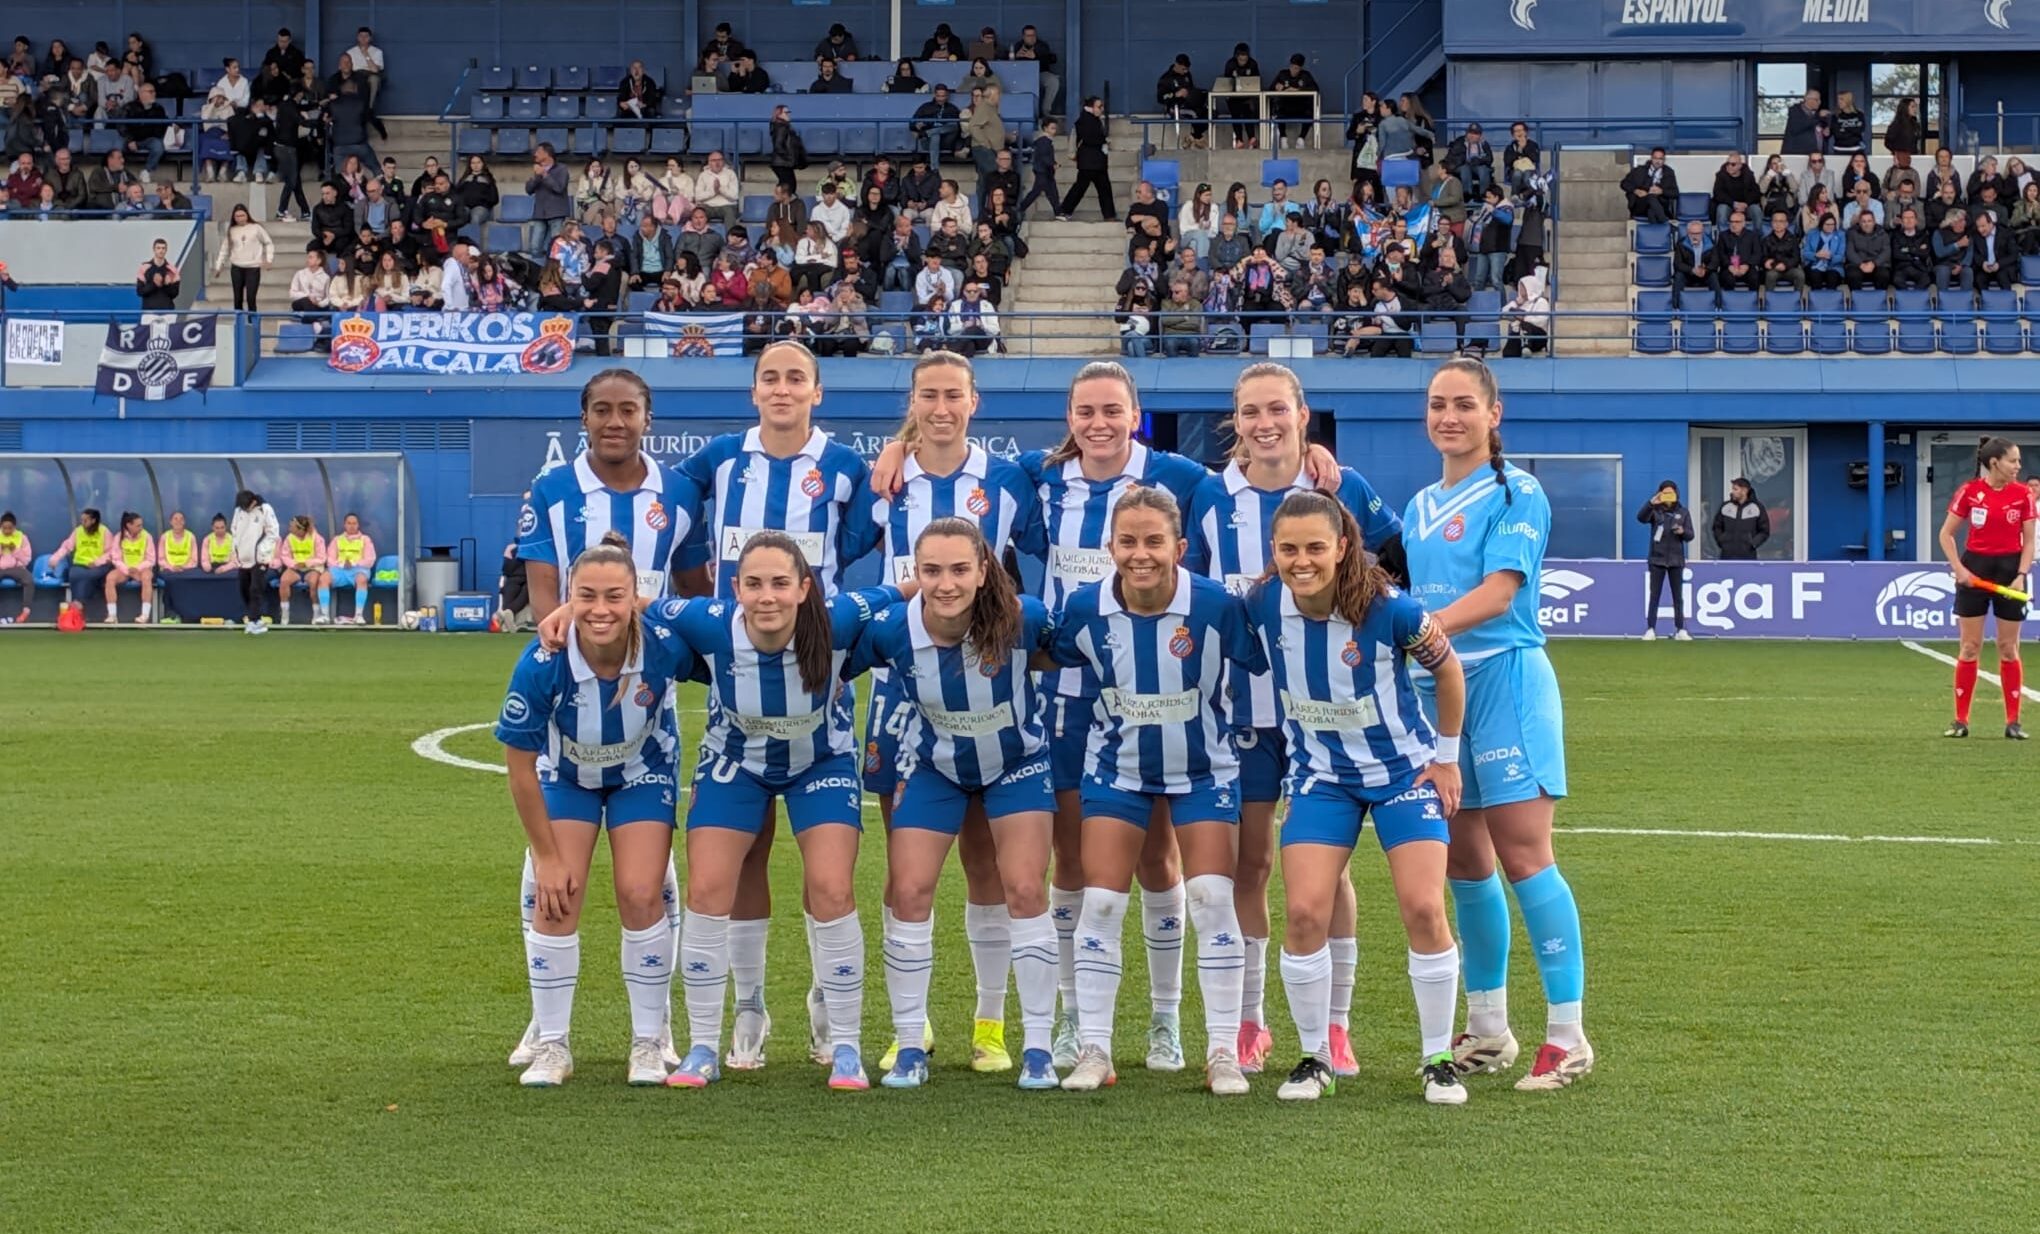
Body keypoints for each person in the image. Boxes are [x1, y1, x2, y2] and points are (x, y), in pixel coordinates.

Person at [544, 535, 898, 1091]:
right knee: (709, 890)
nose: (767, 597)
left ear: (806, 589)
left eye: (781, 583)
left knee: (831, 888)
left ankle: (845, 1042)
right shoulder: (710, 622)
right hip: (734, 764)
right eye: (753, 584)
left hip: (820, 763)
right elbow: (635, 602)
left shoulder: (840, 618)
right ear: (734, 590)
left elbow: (906, 589)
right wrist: (570, 608)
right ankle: (706, 1043)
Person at [1183, 363, 1403, 1076]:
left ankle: (1335, 1026)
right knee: (1251, 863)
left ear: (1303, 414)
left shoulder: (1342, 487)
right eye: (1250, 411)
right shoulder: (1209, 497)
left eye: (1278, 408)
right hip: (1242, 713)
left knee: (1328, 871)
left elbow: (1397, 563)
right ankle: (1251, 1020)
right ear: (1235, 420)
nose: (1265, 423)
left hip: (1329, 715)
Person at [675, 342, 884, 1066]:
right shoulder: (718, 460)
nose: (783, 388)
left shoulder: (847, 466)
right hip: (737, 707)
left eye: (797, 377)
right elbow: (665, 516)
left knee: (830, 884)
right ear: (753, 390)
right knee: (723, 879)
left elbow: (880, 557)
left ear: (818, 391)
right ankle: (744, 1015)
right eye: (770, 376)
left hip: (818, 700)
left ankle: (834, 1014)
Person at [1026, 486, 1258, 1096]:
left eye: (1154, 541)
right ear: (1110, 547)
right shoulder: (1084, 607)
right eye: (1127, 541)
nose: (1141, 554)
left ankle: (1220, 1051)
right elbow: (1045, 657)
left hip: (1205, 771)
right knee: (1100, 902)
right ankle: (1095, 1049)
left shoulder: (1216, 607)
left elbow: (1268, 661)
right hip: (1116, 768)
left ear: (1180, 547)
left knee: (1211, 897)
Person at [1242, 489, 1468, 1104]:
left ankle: (1437, 1058)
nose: (1302, 561)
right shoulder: (1262, 603)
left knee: (1424, 908)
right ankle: (1314, 1056)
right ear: (1274, 552)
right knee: (1305, 913)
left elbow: (1448, 669)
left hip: (1403, 776)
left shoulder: (1391, 609)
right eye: (1288, 549)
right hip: (1321, 776)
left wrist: (1446, 759)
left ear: (1344, 548)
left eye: (1316, 547)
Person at [1404, 357, 1590, 1092]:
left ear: (1493, 414)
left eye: (1462, 405)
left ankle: (1568, 1035)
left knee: (1524, 855)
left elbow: (1501, 590)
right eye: (1437, 404)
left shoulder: (1521, 491)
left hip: (1506, 681)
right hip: (1439, 690)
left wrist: (1422, 627)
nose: (1448, 416)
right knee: (1463, 861)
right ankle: (1488, 1029)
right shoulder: (1419, 503)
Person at [844, 518, 1060, 1088]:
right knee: (909, 889)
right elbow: (831, 647)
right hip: (934, 766)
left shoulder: (1024, 619)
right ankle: (911, 1042)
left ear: (984, 571)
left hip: (1017, 765)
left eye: (960, 569)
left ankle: (1034, 1043)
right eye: (932, 570)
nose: (946, 583)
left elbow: (1074, 653)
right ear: (914, 573)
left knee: (1024, 887)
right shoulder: (893, 629)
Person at [497, 533, 694, 1088]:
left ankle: (649, 1039)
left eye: (615, 596)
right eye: (586, 597)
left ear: (637, 597)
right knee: (557, 895)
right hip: (566, 779)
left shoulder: (664, 644)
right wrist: (546, 854)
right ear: (568, 598)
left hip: (642, 772)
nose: (600, 610)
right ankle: (553, 1044)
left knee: (639, 891)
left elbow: (726, 639)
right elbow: (520, 769)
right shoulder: (542, 663)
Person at [1939, 437, 2036, 740]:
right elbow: (1946, 534)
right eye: (2013, 460)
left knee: (2008, 649)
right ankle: (1960, 721)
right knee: (1970, 647)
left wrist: (2021, 574)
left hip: (2011, 572)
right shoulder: (1969, 491)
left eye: (2019, 461)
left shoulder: (2023, 495)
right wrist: (1960, 569)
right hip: (1975, 570)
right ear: (1994, 462)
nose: (2018, 466)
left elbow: (2030, 541)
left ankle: (2013, 722)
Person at [1637, 481, 1694, 640]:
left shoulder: (1683, 512)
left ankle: (1680, 629)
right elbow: (1640, 518)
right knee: (1654, 595)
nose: (1668, 497)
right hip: (1657, 559)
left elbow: (1690, 535)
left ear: (1676, 494)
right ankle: (1650, 629)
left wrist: (1682, 531)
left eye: (1671, 493)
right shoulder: (1655, 511)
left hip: (1676, 560)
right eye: (1665, 493)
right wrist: (1651, 503)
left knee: (1678, 596)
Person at [228, 491, 280, 633]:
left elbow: (273, 532)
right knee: (244, 589)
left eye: (247, 506)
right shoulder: (238, 511)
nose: (245, 509)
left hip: (260, 558)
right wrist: (235, 551)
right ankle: (254, 618)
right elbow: (234, 531)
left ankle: (253, 620)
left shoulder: (265, 509)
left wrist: (262, 550)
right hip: (243, 558)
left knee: (255, 588)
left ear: (253, 501)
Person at [1057, 97, 1115, 222]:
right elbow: (1091, 139)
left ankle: (1109, 215)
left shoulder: (1092, 120)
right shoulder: (1086, 121)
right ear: (1091, 107)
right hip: (1090, 161)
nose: (1102, 109)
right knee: (1084, 188)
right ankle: (1065, 210)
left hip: (1093, 162)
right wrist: (1104, 141)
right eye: (1099, 106)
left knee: (1100, 188)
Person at [52, 508, 114, 620]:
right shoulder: (78, 531)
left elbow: (110, 552)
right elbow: (66, 546)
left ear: (93, 520)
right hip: (80, 564)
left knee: (89, 576)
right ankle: (79, 606)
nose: (83, 523)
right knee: (75, 575)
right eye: (82, 520)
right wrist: (55, 559)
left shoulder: (105, 532)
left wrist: (97, 562)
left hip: (99, 566)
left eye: (85, 520)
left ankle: (77, 604)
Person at [214, 204, 275, 311]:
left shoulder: (256, 228)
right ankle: (239, 324)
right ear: (234, 217)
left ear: (247, 215)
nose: (240, 218)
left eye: (242, 215)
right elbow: (224, 250)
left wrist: (269, 259)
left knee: (251, 298)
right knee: (237, 299)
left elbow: (268, 243)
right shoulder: (232, 230)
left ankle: (252, 323)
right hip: (237, 267)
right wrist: (219, 266)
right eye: (237, 216)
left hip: (253, 267)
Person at [271, 515, 329, 625]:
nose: (289, 528)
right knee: (283, 581)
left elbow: (322, 558)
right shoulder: (289, 538)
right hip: (295, 569)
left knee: (313, 583)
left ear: (301, 529)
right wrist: (294, 564)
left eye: (292, 526)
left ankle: (316, 615)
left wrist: (307, 563)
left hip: (312, 569)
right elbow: (285, 556)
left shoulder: (317, 538)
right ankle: (285, 616)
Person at [101, 511, 156, 625]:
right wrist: (127, 570)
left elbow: (151, 559)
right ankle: (112, 615)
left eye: (141, 525)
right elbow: (115, 558)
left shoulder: (147, 536)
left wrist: (137, 568)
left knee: (147, 577)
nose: (141, 528)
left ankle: (144, 615)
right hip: (124, 570)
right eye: (138, 525)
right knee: (110, 578)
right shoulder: (119, 537)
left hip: (141, 570)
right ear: (128, 525)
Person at [324, 513, 377, 624]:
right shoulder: (337, 540)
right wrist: (342, 564)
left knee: (361, 579)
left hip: (359, 569)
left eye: (354, 523)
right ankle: (324, 616)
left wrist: (353, 563)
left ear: (358, 525)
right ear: (344, 525)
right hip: (339, 569)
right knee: (324, 578)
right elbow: (330, 559)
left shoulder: (365, 540)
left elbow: (370, 560)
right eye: (349, 523)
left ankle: (358, 615)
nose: (351, 526)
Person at [1711, 478, 1769, 561]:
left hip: (1748, 556)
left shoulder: (1757, 508)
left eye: (1735, 489)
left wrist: (1753, 543)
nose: (1732, 492)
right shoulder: (1725, 506)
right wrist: (1722, 541)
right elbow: (1717, 527)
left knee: (1748, 574)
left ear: (1744, 491)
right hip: (1726, 555)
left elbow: (1764, 531)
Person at [1620, 148, 1678, 224]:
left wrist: (1662, 191)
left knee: (1651, 212)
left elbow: (1675, 193)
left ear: (1664, 160)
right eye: (1655, 158)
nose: (1657, 161)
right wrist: (1636, 190)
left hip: (1659, 205)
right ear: (1651, 158)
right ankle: (1664, 222)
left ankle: (1655, 232)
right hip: (1640, 205)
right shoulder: (1639, 170)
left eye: (1660, 159)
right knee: (1650, 197)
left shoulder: (1669, 173)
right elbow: (1624, 184)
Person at [0, 511, 32, 623]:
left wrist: (15, 551)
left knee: (29, 579)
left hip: (17, 568)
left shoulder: (22, 538)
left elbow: (27, 559)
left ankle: (25, 611)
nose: (7, 531)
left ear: (14, 527)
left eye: (10, 528)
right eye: (4, 528)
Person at [136, 238, 181, 309]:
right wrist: (154, 284)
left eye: (163, 248)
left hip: (167, 313)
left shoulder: (173, 270)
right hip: (149, 313)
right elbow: (140, 292)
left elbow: (175, 294)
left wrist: (168, 285)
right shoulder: (144, 268)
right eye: (158, 248)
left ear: (166, 250)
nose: (161, 250)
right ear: (154, 249)